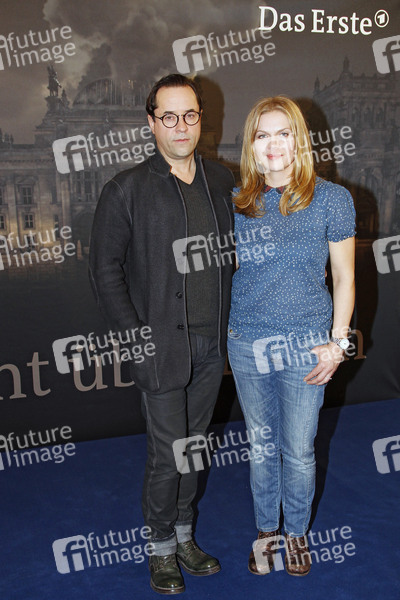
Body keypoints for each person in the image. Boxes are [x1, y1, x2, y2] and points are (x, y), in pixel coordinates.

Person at [89, 74, 235, 594]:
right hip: (161, 349)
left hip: (211, 347)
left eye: (189, 115)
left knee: (193, 448)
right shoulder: (125, 188)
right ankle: (160, 548)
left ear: (201, 119)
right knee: (167, 454)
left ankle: (185, 537)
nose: (180, 126)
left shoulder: (221, 181)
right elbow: (104, 271)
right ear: (151, 123)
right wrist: (137, 342)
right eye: (168, 116)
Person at [227, 96, 355, 577]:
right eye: (263, 135)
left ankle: (297, 534)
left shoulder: (332, 199)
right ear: (251, 144)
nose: (273, 144)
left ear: (300, 140)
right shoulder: (238, 200)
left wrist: (339, 344)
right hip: (246, 343)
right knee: (261, 448)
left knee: (299, 451)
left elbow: (344, 277)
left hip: (306, 346)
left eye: (284, 133)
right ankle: (267, 532)